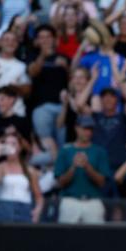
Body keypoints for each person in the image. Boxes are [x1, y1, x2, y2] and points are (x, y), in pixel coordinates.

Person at [55, 115, 112, 224]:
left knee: (97, 238)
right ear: (77, 128)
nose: (88, 132)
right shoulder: (65, 151)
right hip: (70, 201)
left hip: (93, 201)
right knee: (66, 238)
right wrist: (73, 167)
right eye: (85, 128)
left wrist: (87, 166)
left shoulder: (100, 151)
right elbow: (60, 183)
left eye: (90, 129)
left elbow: (102, 182)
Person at [28, 24, 70, 157]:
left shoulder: (63, 57)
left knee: (62, 148)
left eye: (48, 37)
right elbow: (33, 72)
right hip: (41, 107)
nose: (45, 40)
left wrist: (66, 67)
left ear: (54, 39)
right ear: (37, 40)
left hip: (62, 107)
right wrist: (42, 56)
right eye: (41, 37)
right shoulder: (32, 56)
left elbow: (74, 80)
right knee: (47, 149)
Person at [0, 133, 44, 223]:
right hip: (4, 207)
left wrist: (37, 211)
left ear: (20, 147)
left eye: (13, 143)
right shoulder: (1, 167)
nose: (10, 146)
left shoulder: (29, 170)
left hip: (24, 208)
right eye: (7, 144)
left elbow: (39, 196)